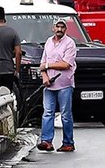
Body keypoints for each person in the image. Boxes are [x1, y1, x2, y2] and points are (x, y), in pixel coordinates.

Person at [36, 19, 77, 153]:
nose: (59, 29)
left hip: (64, 84)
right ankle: (46, 141)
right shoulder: (48, 42)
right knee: (48, 113)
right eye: (57, 27)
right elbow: (43, 61)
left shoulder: (70, 43)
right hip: (49, 85)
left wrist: (48, 66)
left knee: (65, 114)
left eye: (62, 27)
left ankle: (68, 143)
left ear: (66, 29)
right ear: (53, 28)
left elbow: (66, 64)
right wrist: (45, 77)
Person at [0, 8, 22, 100]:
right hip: (8, 69)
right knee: (6, 95)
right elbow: (18, 52)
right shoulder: (13, 32)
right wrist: (17, 70)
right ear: (4, 17)